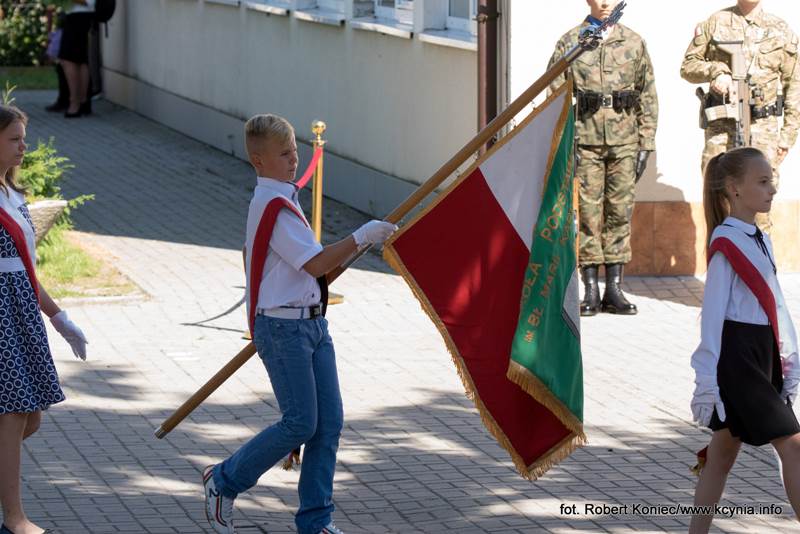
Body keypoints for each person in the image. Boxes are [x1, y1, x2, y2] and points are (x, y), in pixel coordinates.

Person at [202, 114, 396, 534]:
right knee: (300, 423)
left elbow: (309, 269)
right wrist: (363, 235)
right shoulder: (273, 207)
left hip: (311, 325)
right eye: (284, 153)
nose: (294, 159)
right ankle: (223, 480)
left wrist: (355, 246)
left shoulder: (282, 202)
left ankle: (316, 522)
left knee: (328, 424)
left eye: (295, 150)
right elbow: (316, 263)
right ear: (258, 160)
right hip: (284, 328)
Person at [689, 147, 800, 533]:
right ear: (734, 189)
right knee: (793, 445)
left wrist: (788, 359)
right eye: (763, 181)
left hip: (761, 351)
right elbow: (712, 320)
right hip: (738, 359)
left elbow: (777, 306)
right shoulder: (726, 244)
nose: (772, 190)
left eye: (773, 181)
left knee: (721, 455)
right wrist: (705, 383)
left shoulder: (760, 239)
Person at [0, 105, 88, 534]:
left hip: (20, 310)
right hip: (2, 315)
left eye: (23, 137)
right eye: (14, 138)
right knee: (14, 412)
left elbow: (25, 267)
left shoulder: (13, 196)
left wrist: (58, 317)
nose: (23, 146)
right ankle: (14, 517)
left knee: (29, 417)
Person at [548, 0, 658, 316]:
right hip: (585, 140)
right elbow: (555, 93)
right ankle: (591, 288)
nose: (606, 2)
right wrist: (562, 140)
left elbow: (647, 94)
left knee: (620, 211)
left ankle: (615, 287)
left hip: (625, 141)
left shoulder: (634, 42)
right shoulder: (572, 43)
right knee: (590, 213)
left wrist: (646, 143)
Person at [680, 0, 800, 230]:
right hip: (721, 130)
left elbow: (794, 86)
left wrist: (787, 137)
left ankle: (760, 265)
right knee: (718, 202)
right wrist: (717, 71)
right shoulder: (715, 23)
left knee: (760, 206)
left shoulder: (781, 30)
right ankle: (720, 264)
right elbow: (688, 67)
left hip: (762, 130)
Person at [58, 1, 95, 118]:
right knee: (80, 60)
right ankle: (83, 102)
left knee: (68, 60)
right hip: (80, 17)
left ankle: (75, 103)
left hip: (79, 17)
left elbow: (87, 2)